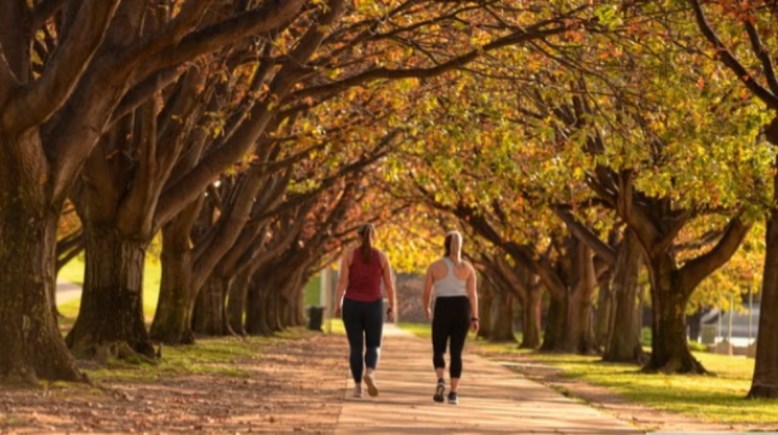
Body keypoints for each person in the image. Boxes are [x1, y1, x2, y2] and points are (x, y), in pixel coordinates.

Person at [334, 223, 397, 398]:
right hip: (373, 306)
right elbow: (389, 285)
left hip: (352, 305)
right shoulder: (382, 257)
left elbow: (342, 282)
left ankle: (357, 388)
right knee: (374, 345)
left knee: (355, 347)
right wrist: (392, 306)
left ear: (358, 237)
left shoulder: (349, 255)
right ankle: (369, 372)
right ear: (373, 236)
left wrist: (337, 305)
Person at [422, 230, 478, 405]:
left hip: (443, 308)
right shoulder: (467, 268)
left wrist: (427, 308)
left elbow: (427, 292)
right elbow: (472, 295)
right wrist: (475, 317)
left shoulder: (435, 266)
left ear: (445, 245)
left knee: (439, 349)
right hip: (462, 308)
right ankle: (453, 393)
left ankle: (440, 379)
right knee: (456, 353)